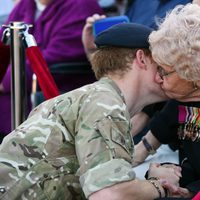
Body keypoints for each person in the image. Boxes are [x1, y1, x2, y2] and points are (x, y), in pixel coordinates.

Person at [0, 22, 184, 200]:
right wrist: (160, 186)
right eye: (161, 60)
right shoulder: (105, 103)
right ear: (141, 59)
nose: (168, 68)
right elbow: (109, 193)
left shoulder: (96, 97)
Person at [0, 0, 104, 140]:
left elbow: (55, 59)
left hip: (55, 94)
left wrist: (3, 81)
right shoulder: (26, 4)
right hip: (18, 86)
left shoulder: (81, 6)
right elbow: (3, 43)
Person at [133, 3, 200, 199]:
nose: (157, 78)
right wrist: (157, 171)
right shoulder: (183, 99)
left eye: (165, 71)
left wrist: (187, 192)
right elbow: (163, 125)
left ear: (195, 78)